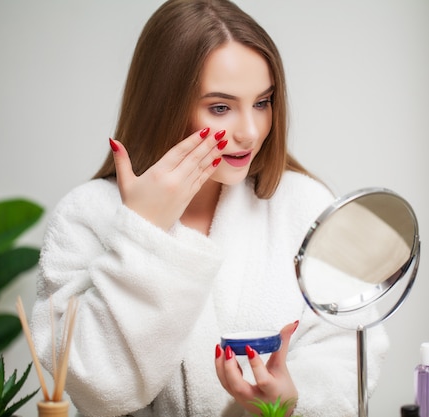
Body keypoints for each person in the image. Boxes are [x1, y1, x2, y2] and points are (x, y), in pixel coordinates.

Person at [31, 0, 389, 416]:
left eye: (263, 102)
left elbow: (351, 351)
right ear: (163, 104)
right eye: (221, 107)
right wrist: (144, 232)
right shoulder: (86, 215)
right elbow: (98, 388)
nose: (251, 131)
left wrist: (293, 400)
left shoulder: (304, 203)